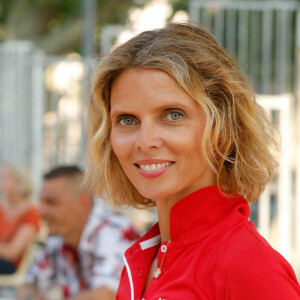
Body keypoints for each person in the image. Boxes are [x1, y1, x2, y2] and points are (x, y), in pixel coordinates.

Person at [85, 22, 300, 299]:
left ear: (222, 128)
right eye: (128, 120)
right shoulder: (141, 259)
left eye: (173, 115)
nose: (145, 141)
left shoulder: (249, 266)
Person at [17, 166, 139, 300]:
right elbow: (27, 286)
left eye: (51, 202)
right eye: (41, 202)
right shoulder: (59, 238)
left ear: (83, 203)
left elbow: (105, 296)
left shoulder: (114, 231)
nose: (40, 211)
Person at [0, 164, 40, 274]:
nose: (2, 181)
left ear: (19, 181)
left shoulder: (30, 212)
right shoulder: (1, 207)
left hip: (10, 264)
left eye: (6, 177)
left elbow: (12, 252)